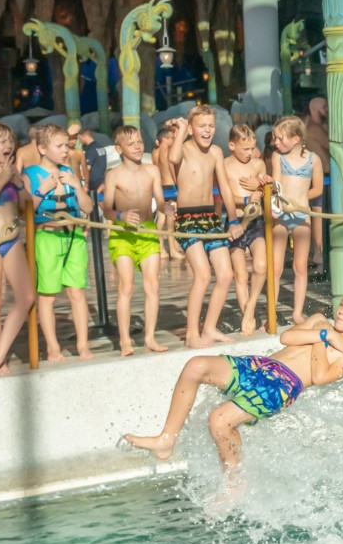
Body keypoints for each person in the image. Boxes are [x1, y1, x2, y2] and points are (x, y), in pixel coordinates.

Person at [125, 283, 343, 474]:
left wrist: (323, 337)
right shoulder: (318, 321)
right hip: (262, 365)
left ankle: (234, 477)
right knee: (196, 366)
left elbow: (320, 376)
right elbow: (286, 339)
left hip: (282, 386)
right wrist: (324, 333)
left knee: (219, 420)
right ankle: (166, 440)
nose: (342, 312)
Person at [169, 106, 241, 348]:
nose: (208, 130)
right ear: (191, 128)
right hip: (187, 219)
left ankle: (209, 328)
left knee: (225, 274)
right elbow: (173, 159)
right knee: (203, 274)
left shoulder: (216, 152)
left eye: (211, 125)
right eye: (202, 126)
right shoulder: (183, 149)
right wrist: (180, 131)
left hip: (210, 217)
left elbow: (225, 188)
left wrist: (232, 219)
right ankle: (192, 333)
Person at [24, 122, 94, 362]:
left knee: (77, 292)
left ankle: (82, 345)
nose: (65, 150)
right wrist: (43, 189)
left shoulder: (70, 172)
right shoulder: (30, 174)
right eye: (59, 145)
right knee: (48, 295)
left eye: (67, 145)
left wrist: (77, 187)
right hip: (47, 238)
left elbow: (88, 208)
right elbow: (26, 211)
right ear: (42, 148)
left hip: (73, 237)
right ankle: (53, 347)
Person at [102, 125, 167, 357]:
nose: (138, 146)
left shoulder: (152, 171)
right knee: (127, 286)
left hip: (147, 231)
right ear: (119, 148)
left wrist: (166, 207)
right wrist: (120, 216)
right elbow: (107, 209)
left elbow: (159, 201)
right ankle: (125, 340)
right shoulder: (113, 175)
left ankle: (149, 337)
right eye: (132, 144)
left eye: (140, 141)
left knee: (152, 285)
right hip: (123, 235)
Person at [269, 114, 323, 325]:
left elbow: (317, 188)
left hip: (301, 215)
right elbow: (276, 182)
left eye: (280, 138)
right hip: (281, 215)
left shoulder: (313, 159)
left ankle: (297, 313)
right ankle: (272, 312)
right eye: (275, 138)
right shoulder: (277, 157)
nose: (276, 143)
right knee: (276, 267)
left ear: (296, 139)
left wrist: (300, 201)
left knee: (300, 266)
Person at [0, 122, 34, 375]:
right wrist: (0, 182)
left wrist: (17, 182)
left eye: (10, 141)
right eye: (1, 141)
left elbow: (27, 206)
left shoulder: (14, 172)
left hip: (12, 238)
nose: (8, 145)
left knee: (26, 298)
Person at [223, 124, 270, 336]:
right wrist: (245, 198)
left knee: (261, 266)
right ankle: (246, 315)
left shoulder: (258, 164)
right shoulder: (224, 166)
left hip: (255, 221)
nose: (250, 153)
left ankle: (251, 307)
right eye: (245, 149)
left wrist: (261, 188)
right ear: (232, 145)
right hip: (235, 222)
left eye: (252, 148)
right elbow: (225, 197)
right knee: (240, 275)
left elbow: (266, 191)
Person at [304, 97, 330, 268]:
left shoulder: (313, 127)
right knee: (320, 217)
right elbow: (333, 145)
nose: (327, 110)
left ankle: (318, 253)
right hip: (322, 178)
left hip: (320, 177)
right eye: (324, 107)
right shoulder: (314, 129)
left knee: (319, 216)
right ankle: (319, 253)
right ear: (314, 110)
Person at [152, 121, 180, 262]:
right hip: (170, 187)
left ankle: (161, 249)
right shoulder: (168, 152)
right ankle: (173, 250)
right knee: (170, 220)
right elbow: (171, 170)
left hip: (160, 188)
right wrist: (179, 186)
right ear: (165, 139)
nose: (173, 140)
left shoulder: (154, 152)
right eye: (171, 138)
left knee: (160, 219)